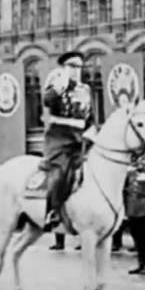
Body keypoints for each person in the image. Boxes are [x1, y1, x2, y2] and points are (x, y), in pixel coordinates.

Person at [41, 51, 95, 230]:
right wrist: (60, 87)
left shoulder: (85, 90)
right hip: (60, 138)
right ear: (63, 68)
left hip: (81, 139)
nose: (76, 70)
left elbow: (90, 116)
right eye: (72, 66)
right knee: (60, 172)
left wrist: (91, 132)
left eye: (79, 67)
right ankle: (52, 211)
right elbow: (47, 101)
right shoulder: (57, 85)